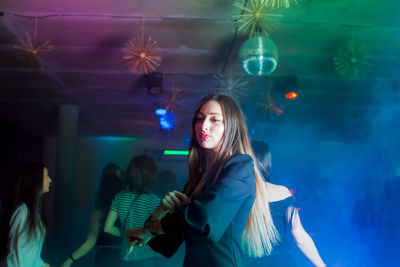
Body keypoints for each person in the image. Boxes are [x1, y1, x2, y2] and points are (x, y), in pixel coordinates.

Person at [125, 94, 279, 267]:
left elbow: (205, 222)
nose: (204, 126)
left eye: (215, 120)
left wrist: (150, 228)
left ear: (231, 127)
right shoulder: (198, 178)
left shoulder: (240, 165)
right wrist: (160, 210)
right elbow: (167, 243)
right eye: (200, 119)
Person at [249, 140, 326, 267]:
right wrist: (322, 265)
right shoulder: (281, 192)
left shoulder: (231, 195)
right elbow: (299, 236)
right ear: (268, 163)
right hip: (281, 262)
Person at [60, 163, 123, 267]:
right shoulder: (125, 209)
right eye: (119, 176)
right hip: (121, 258)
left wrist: (70, 259)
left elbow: (90, 242)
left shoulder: (98, 213)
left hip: (102, 258)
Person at [104, 155, 161, 267]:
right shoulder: (154, 201)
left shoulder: (119, 197)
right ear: (150, 176)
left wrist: (128, 234)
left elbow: (108, 228)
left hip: (125, 258)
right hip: (147, 259)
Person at [1, 162, 52, 267]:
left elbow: (32, 251)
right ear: (35, 180)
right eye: (46, 176)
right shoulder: (22, 211)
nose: (50, 180)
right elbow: (14, 251)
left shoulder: (35, 212)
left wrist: (41, 265)